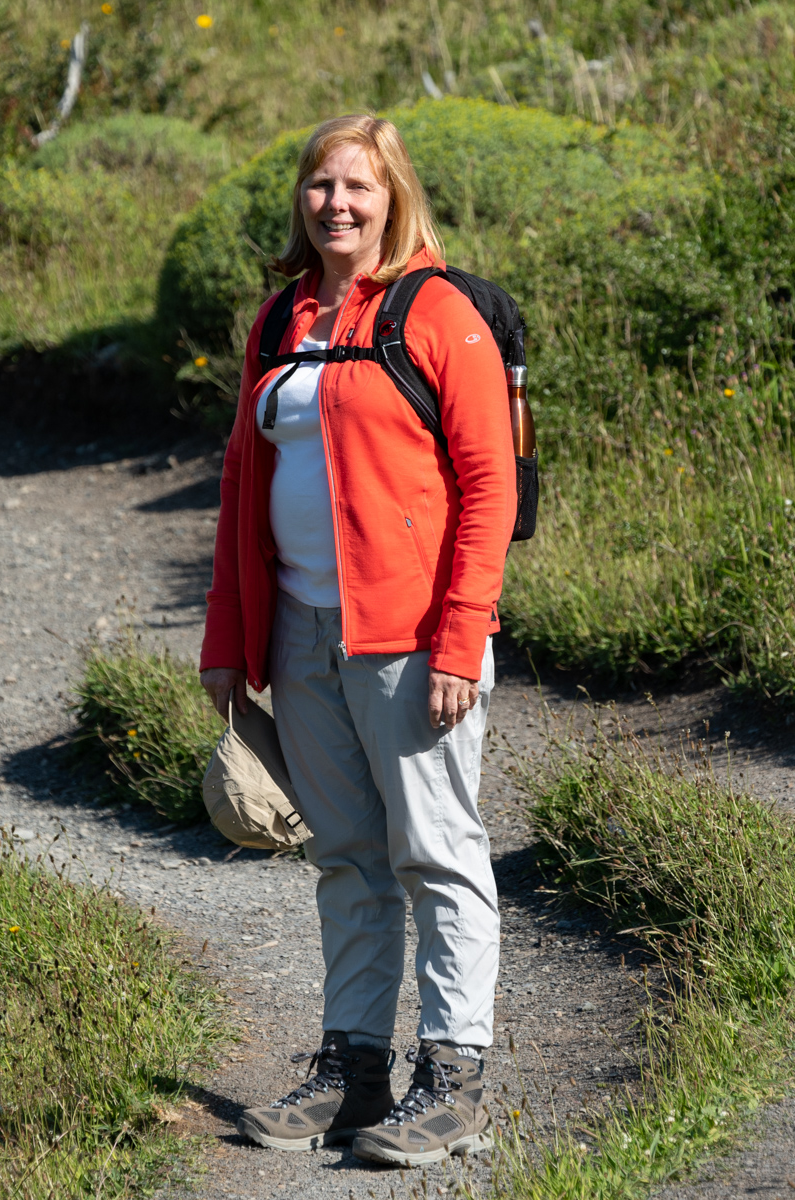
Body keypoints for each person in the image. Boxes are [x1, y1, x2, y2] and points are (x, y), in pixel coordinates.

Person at [198, 113, 514, 1167]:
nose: (337, 204)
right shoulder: (280, 318)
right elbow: (242, 481)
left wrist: (463, 641)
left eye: (359, 189)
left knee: (436, 852)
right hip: (301, 633)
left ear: (395, 199)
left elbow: (488, 485)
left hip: (413, 638)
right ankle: (354, 1069)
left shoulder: (439, 312)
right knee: (344, 855)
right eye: (321, 185)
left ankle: (455, 1078)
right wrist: (227, 641)